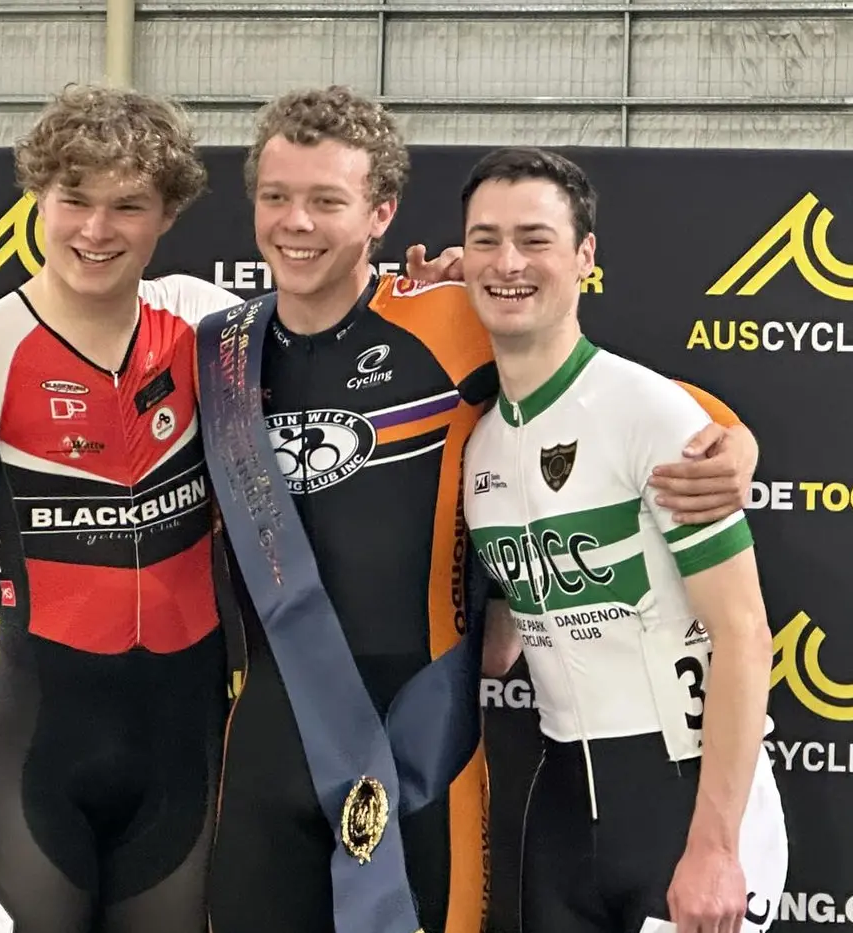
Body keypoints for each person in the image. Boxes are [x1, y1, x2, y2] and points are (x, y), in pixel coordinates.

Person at [199, 85, 763, 933]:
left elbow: (607, 392)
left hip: (423, 746)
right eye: (276, 197)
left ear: (381, 211)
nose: (297, 222)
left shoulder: (455, 318)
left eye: (327, 199)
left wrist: (736, 440)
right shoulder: (218, 350)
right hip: (264, 750)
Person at [0, 84, 248, 933]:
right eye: (75, 199)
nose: (96, 229)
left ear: (167, 215)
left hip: (187, 738)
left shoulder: (204, 321)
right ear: (37, 199)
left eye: (129, 205)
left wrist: (433, 293)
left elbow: (333, 350)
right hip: (44, 741)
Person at [458, 147, 788, 933]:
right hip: (562, 802)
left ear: (584, 257)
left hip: (683, 797)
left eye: (536, 239)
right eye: (485, 239)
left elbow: (743, 633)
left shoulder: (652, 412)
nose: (509, 262)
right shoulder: (478, 449)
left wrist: (714, 845)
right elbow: (501, 644)